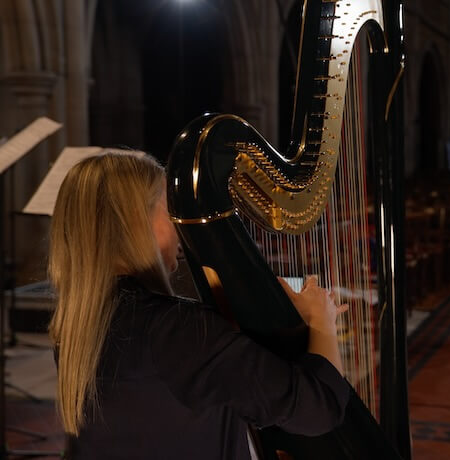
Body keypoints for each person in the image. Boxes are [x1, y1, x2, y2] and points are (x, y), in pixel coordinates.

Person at [48, 152, 350, 459]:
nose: (180, 227)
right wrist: (321, 318)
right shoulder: (176, 329)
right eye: (169, 209)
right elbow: (317, 410)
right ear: (137, 222)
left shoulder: (75, 327)